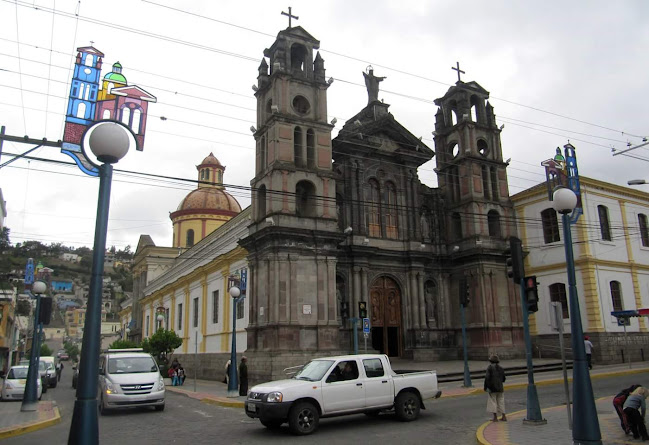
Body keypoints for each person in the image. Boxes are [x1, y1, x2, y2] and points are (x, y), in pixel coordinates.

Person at [484, 354, 507, 422]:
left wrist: (486, 387)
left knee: (493, 402)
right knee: (501, 401)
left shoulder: (489, 368)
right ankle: (503, 416)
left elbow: (487, 378)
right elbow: (503, 378)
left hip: (492, 388)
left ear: (490, 361)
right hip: (500, 387)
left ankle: (495, 417)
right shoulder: (501, 368)